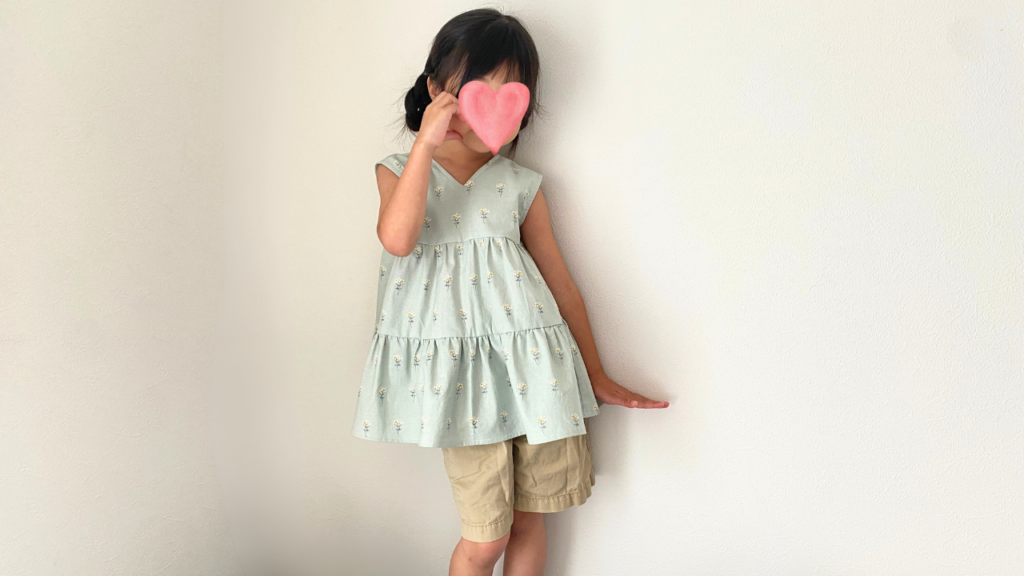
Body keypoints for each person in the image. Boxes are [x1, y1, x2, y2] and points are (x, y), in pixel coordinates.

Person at [351, 8, 669, 575]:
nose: (483, 107)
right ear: (435, 89)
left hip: (536, 368)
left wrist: (594, 373)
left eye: (507, 94)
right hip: (464, 385)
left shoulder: (520, 184)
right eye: (470, 90)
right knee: (484, 540)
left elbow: (561, 286)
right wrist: (425, 145)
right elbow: (398, 239)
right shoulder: (398, 169)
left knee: (529, 522)